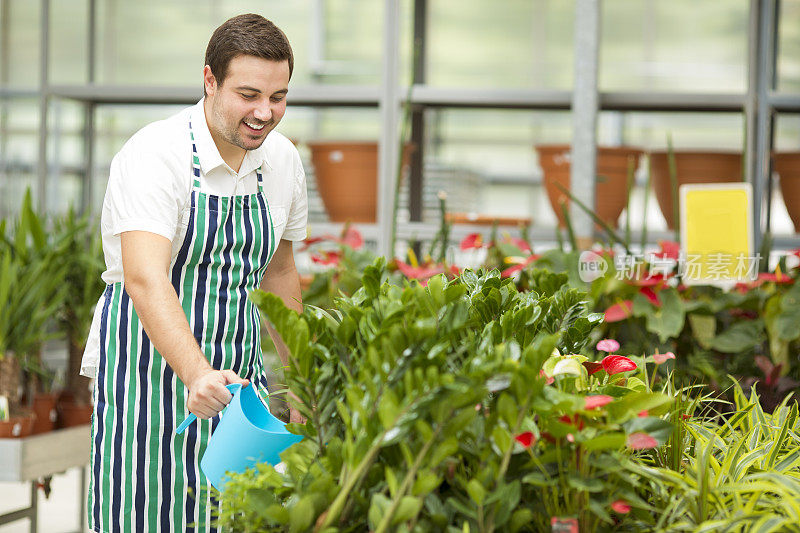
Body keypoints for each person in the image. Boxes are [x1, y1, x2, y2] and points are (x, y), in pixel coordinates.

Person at [79, 14, 308, 532]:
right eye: (248, 94)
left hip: (239, 386)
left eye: (278, 97)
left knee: (235, 516)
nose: (264, 113)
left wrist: (300, 382)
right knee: (143, 515)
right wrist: (196, 373)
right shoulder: (155, 154)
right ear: (209, 80)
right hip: (147, 377)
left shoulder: (284, 161)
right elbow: (145, 277)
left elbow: (280, 271)